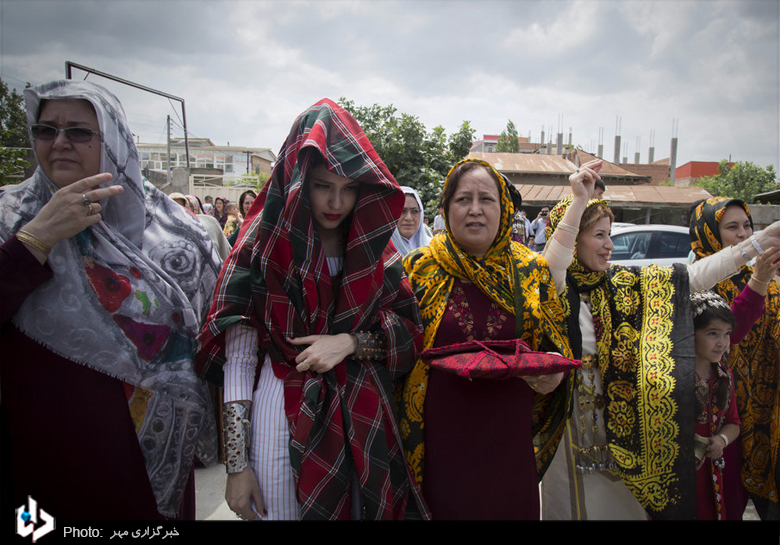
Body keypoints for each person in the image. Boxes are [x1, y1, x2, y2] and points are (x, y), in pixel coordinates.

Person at [195, 98, 429, 521]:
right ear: (298, 179)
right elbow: (241, 359)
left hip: (361, 417)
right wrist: (236, 466)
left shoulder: (377, 251)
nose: (336, 202)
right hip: (276, 413)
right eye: (323, 185)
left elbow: (410, 335)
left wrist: (350, 343)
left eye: (349, 188)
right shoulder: (261, 248)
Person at [0, 80, 221, 520]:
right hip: (39, 458)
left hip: (148, 463)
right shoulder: (9, 218)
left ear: (115, 140)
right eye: (46, 130)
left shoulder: (178, 232)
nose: (60, 143)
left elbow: (219, 339)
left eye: (79, 131)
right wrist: (36, 240)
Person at [540, 191, 780, 520]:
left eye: (610, 234)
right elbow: (553, 266)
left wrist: (757, 243)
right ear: (573, 238)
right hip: (570, 436)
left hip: (626, 440)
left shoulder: (626, 287)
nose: (609, 245)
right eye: (599, 235)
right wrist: (580, 200)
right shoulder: (550, 294)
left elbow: (693, 278)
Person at [397, 158, 590, 520]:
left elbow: (555, 347)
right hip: (437, 441)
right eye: (462, 200)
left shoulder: (531, 271)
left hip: (508, 440)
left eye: (486, 199)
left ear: (503, 209)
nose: (474, 210)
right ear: (444, 209)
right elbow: (394, 349)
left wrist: (552, 378)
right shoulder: (417, 269)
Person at [690, 197, 780, 520]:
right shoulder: (697, 285)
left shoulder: (764, 275)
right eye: (732, 227)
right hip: (716, 414)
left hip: (762, 415)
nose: (743, 234)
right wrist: (760, 282)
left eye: (748, 226)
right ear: (709, 233)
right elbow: (733, 330)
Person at [690, 291, 741, 520]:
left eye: (727, 334)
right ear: (689, 333)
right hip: (678, 476)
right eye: (713, 333)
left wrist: (721, 440)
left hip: (712, 478)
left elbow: (733, 423)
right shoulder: (669, 378)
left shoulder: (723, 375)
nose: (722, 342)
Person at [390, 186, 433, 256]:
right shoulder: (384, 251)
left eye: (414, 211)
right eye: (402, 211)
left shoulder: (433, 247)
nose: (409, 218)